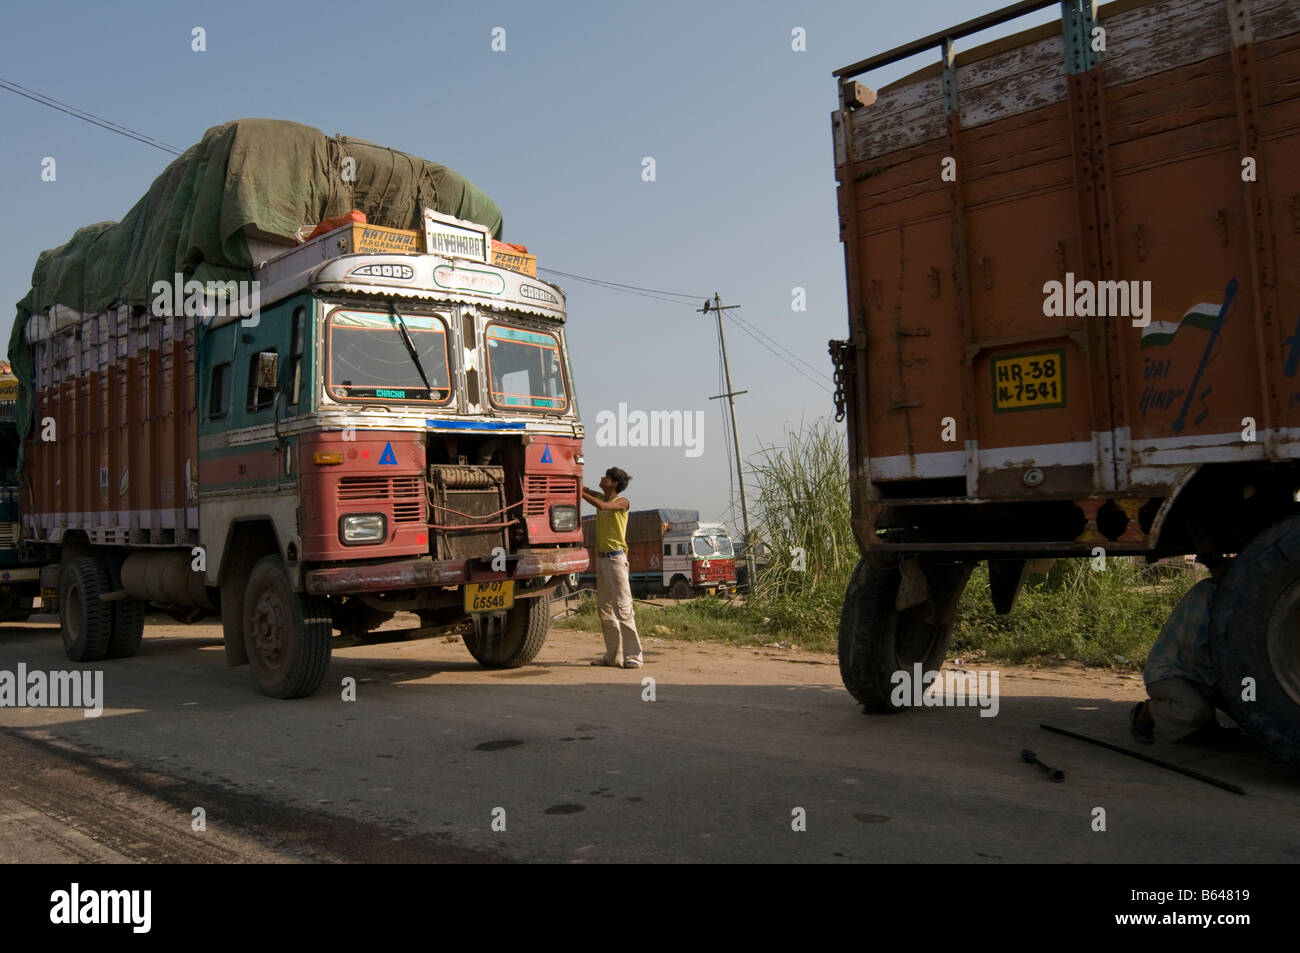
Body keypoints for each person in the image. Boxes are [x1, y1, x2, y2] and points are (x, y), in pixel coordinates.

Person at [1131, 564, 1230, 744]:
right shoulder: (1208, 592)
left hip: (1195, 675)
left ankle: (1205, 723)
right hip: (1168, 674)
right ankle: (1147, 713)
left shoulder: (1232, 596)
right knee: (1196, 711)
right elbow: (1194, 649)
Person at [581, 467, 643, 669]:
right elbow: (587, 490)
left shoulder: (622, 502)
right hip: (602, 559)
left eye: (606, 477)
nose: (602, 478)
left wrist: (580, 493)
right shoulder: (602, 497)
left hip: (616, 560)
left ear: (614, 483)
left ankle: (634, 656)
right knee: (605, 609)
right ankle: (612, 656)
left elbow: (602, 505)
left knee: (623, 608)